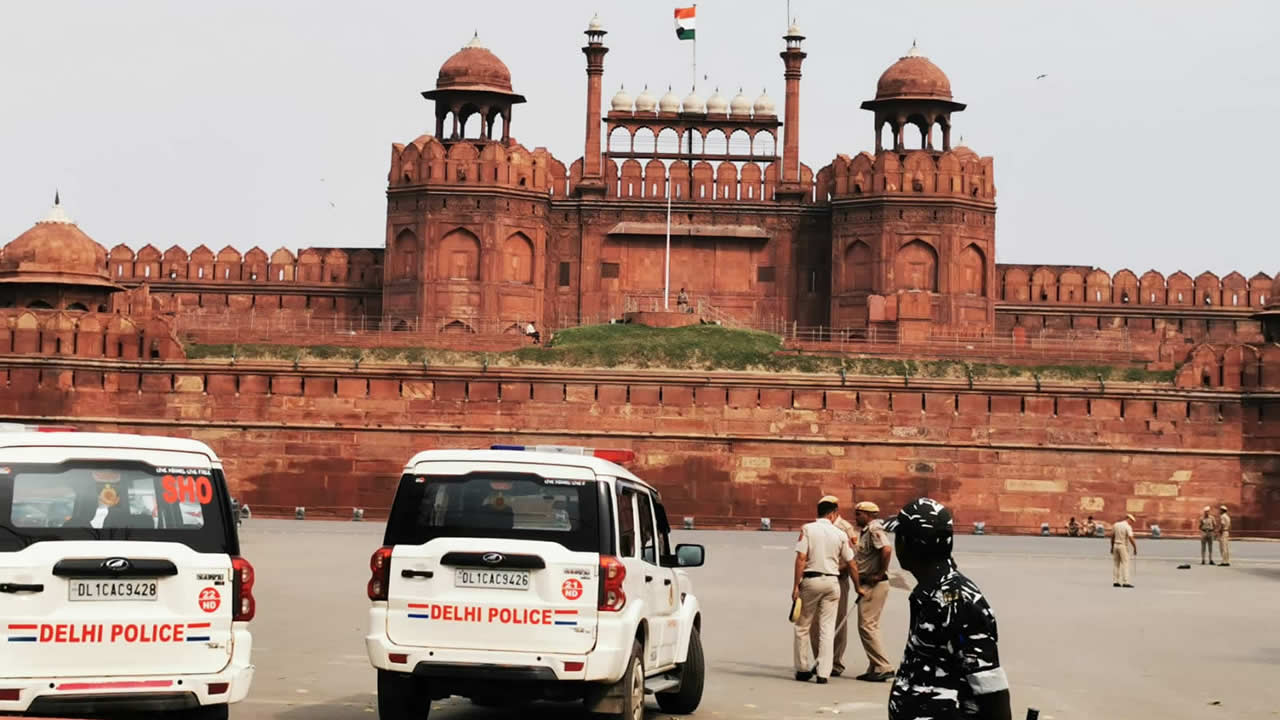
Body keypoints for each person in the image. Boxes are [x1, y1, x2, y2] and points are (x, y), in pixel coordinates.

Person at [886, 498, 1012, 720]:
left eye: (899, 537)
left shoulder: (959, 601)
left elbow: (991, 687)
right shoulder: (928, 594)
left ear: (912, 543)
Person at [792, 496, 858, 684]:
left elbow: (801, 558)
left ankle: (803, 669)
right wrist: (858, 587)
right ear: (832, 514)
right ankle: (823, 673)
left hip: (811, 581)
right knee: (827, 629)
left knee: (803, 626)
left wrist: (796, 585)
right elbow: (852, 563)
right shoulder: (840, 533)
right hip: (832, 582)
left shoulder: (808, 529)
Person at [852, 500, 896, 682]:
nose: (856, 517)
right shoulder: (866, 531)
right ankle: (874, 666)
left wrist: (879, 573)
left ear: (868, 515)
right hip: (869, 582)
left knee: (867, 626)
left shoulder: (873, 530)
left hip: (874, 583)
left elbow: (886, 550)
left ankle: (884, 666)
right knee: (870, 625)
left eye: (859, 514)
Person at [1111, 513, 1137, 587]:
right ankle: (1126, 582)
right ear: (1129, 519)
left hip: (1116, 545)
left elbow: (1112, 536)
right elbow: (1131, 538)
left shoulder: (1116, 524)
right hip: (1123, 546)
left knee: (1116, 564)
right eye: (1131, 521)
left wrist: (1112, 547)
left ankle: (1115, 581)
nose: (1131, 523)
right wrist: (1135, 547)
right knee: (1125, 564)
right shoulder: (1127, 527)